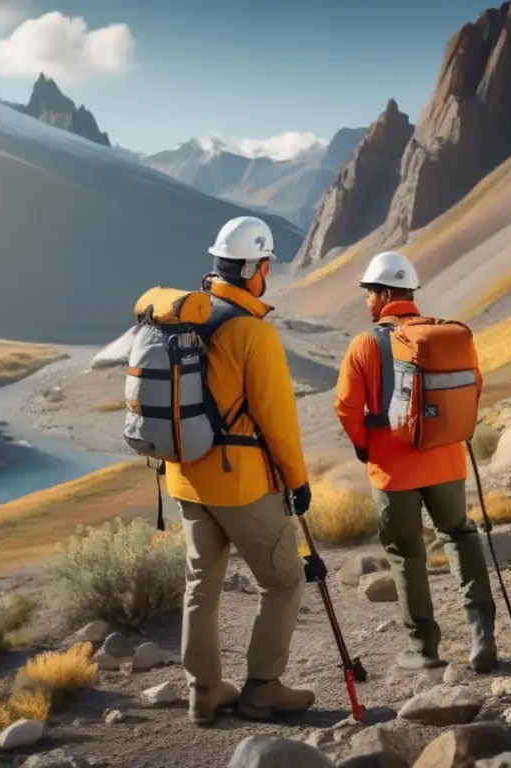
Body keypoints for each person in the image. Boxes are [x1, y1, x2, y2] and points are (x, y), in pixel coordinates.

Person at [165, 215, 316, 725]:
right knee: (283, 581)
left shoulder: (183, 319)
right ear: (259, 268)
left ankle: (203, 693)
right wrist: (298, 481)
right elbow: (277, 421)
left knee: (200, 587)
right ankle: (263, 688)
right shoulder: (252, 333)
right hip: (240, 483)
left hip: (184, 475)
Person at [333, 250, 498, 674]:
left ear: (385, 293)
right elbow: (473, 387)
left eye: (370, 293)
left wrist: (364, 448)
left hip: (393, 470)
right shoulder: (445, 336)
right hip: (446, 462)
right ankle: (483, 635)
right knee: (459, 535)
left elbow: (347, 407)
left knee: (406, 555)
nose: (367, 301)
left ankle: (424, 648)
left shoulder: (365, 343)